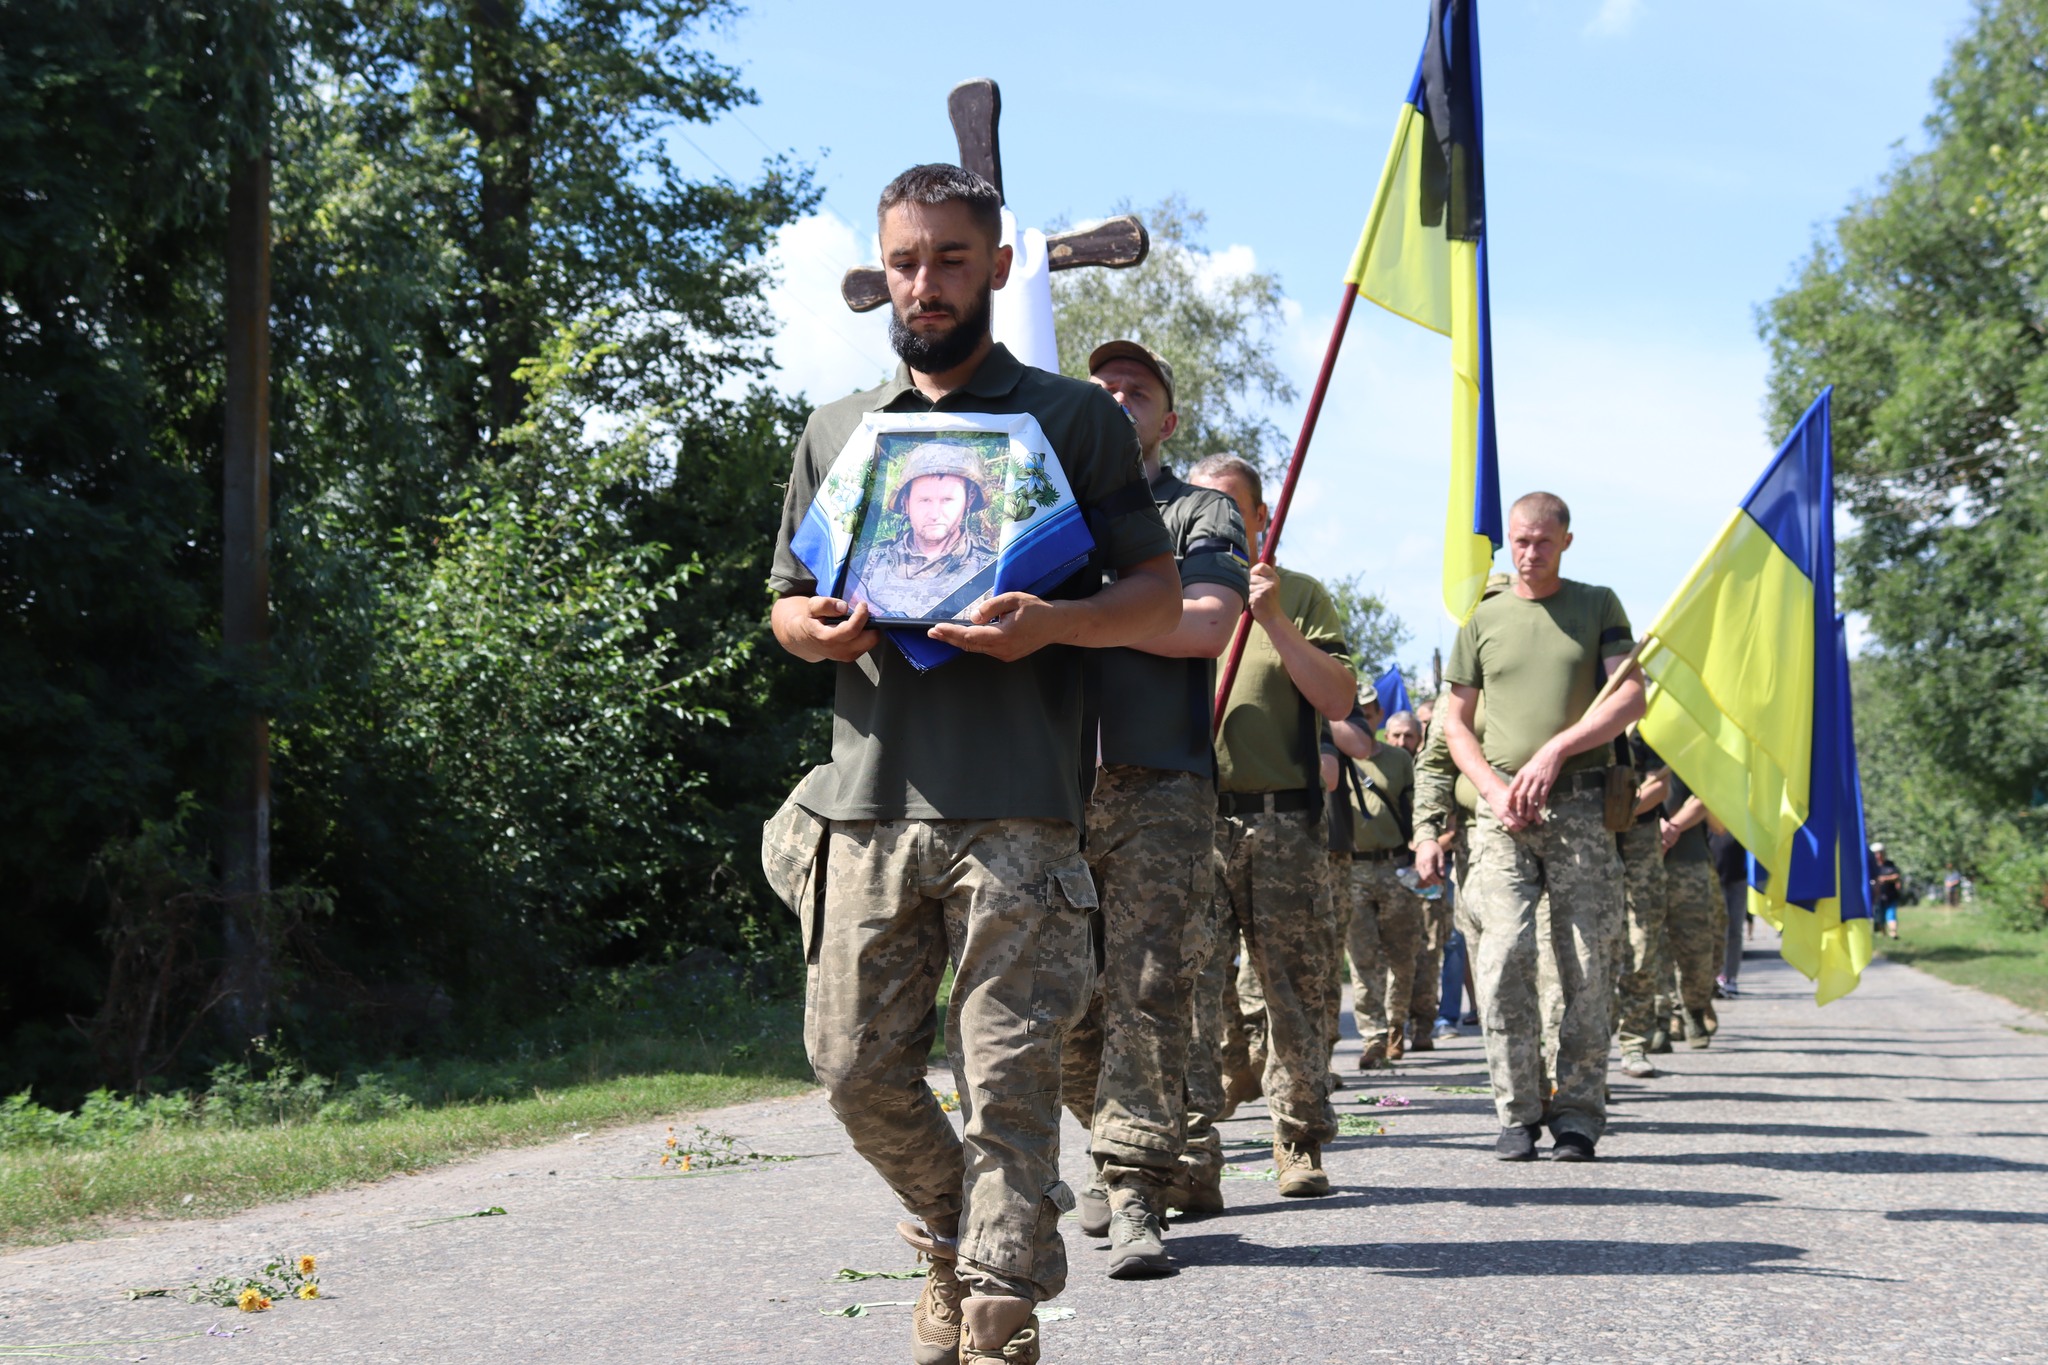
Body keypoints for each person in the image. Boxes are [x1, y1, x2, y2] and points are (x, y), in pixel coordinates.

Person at [764, 163, 1179, 1365]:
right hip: (864, 802)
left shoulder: (1069, 419)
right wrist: (817, 628)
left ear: (997, 267)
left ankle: (998, 1297)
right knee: (849, 1066)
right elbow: (786, 607)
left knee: (1006, 1079)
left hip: (1020, 815)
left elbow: (1152, 598)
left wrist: (1052, 623)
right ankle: (957, 1237)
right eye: (905, 260)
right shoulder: (840, 430)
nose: (925, 283)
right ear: (880, 269)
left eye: (951, 258)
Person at [1057, 339, 1249, 1276]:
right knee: (1054, 997)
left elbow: (1207, 622)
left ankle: (1135, 1188)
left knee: (1146, 985)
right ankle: (1114, 1137)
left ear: (1166, 421)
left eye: (1137, 392)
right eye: (1102, 390)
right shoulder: (1043, 506)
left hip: (1158, 784)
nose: (1118, 399)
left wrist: (1071, 615)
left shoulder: (1197, 511)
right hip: (1046, 779)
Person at [1440, 492, 1643, 1162]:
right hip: (1502, 817)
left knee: (1586, 964)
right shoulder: (1483, 618)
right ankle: (1516, 1108)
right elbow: (1455, 723)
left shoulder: (1598, 605)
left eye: (1544, 542)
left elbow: (1630, 698)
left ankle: (1579, 1112)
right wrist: (1495, 789)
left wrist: (1556, 749)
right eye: (1521, 542)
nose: (1530, 554)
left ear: (1566, 542)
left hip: (1580, 805)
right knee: (1501, 958)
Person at [1189, 452, 1357, 1198]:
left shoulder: (1302, 595)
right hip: (1190, 819)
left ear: (1262, 518)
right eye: (1205, 507)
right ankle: (1190, 1157)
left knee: (1292, 986)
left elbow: (1339, 700)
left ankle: (1297, 1139)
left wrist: (1273, 619)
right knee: (1188, 987)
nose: (1220, 521)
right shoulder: (1170, 593)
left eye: (1235, 508)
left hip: (1282, 822)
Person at [1329, 691, 1427, 1068]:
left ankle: (1396, 1028)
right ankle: (1373, 1038)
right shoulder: (1335, 756)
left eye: (1368, 715)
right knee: (1362, 958)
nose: (1362, 723)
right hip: (1352, 869)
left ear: (1378, 717)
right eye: (1356, 716)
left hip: (1395, 867)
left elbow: (1418, 808)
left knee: (1402, 957)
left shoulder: (1399, 759)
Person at [847, 441, 999, 620]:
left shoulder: (994, 570)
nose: (935, 514)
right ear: (905, 502)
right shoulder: (864, 567)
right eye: (925, 500)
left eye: (947, 500)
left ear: (969, 499)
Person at [1613, 730, 1671, 1079]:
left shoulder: (1646, 726)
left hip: (1638, 840)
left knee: (1641, 942)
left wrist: (1620, 809)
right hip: (1587, 835)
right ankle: (1582, 1056)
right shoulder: (1581, 705)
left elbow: (1659, 786)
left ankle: (1634, 1042)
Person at [1710, 826, 1749, 997]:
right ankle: (1717, 974)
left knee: (1735, 930)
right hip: (1713, 872)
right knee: (1719, 929)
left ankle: (1731, 977)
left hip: (1739, 875)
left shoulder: (1740, 811)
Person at [1871, 844, 1904, 938]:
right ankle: (1883, 933)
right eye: (1876, 853)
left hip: (1890, 894)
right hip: (1877, 896)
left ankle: (1893, 932)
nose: (1878, 855)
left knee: (1891, 914)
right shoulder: (1872, 867)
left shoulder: (1890, 864)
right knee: (1880, 917)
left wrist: (1885, 879)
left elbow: (1897, 876)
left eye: (1880, 853)